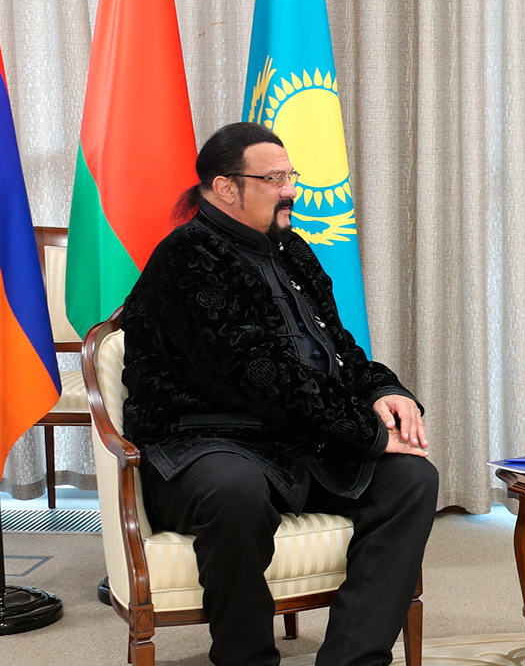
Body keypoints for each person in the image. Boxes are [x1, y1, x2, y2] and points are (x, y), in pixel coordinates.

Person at [120, 122, 438, 666]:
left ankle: (353, 660)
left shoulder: (293, 250)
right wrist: (365, 434)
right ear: (225, 187)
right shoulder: (187, 258)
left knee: (411, 479)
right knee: (235, 490)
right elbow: (257, 379)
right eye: (274, 179)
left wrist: (386, 390)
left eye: (290, 175)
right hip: (203, 444)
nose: (291, 190)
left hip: (296, 442)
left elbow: (337, 347)